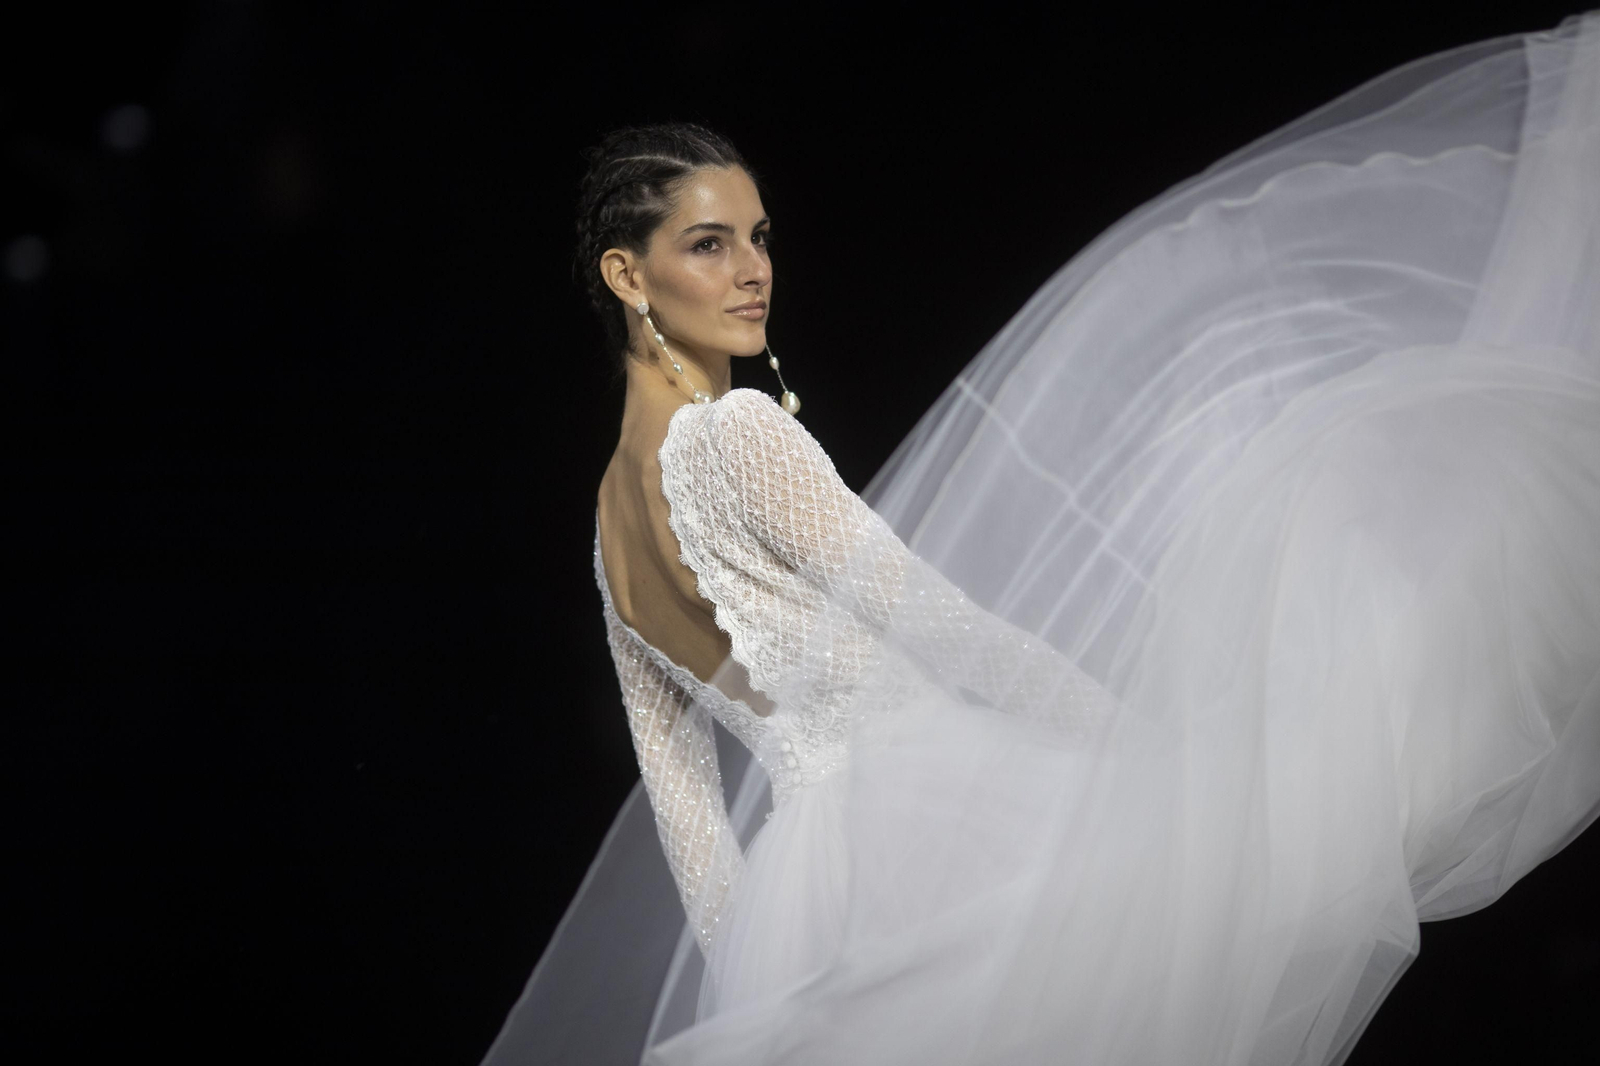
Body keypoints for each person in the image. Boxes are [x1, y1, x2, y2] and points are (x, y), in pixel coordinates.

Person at [484, 11, 1600, 1064]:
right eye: (709, 244)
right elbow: (944, 624)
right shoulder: (735, 441)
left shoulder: (606, 530)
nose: (751, 270)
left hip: (799, 894)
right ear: (627, 276)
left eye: (756, 239)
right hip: (929, 812)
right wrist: (1133, 758)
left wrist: (764, 987)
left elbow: (690, 817)